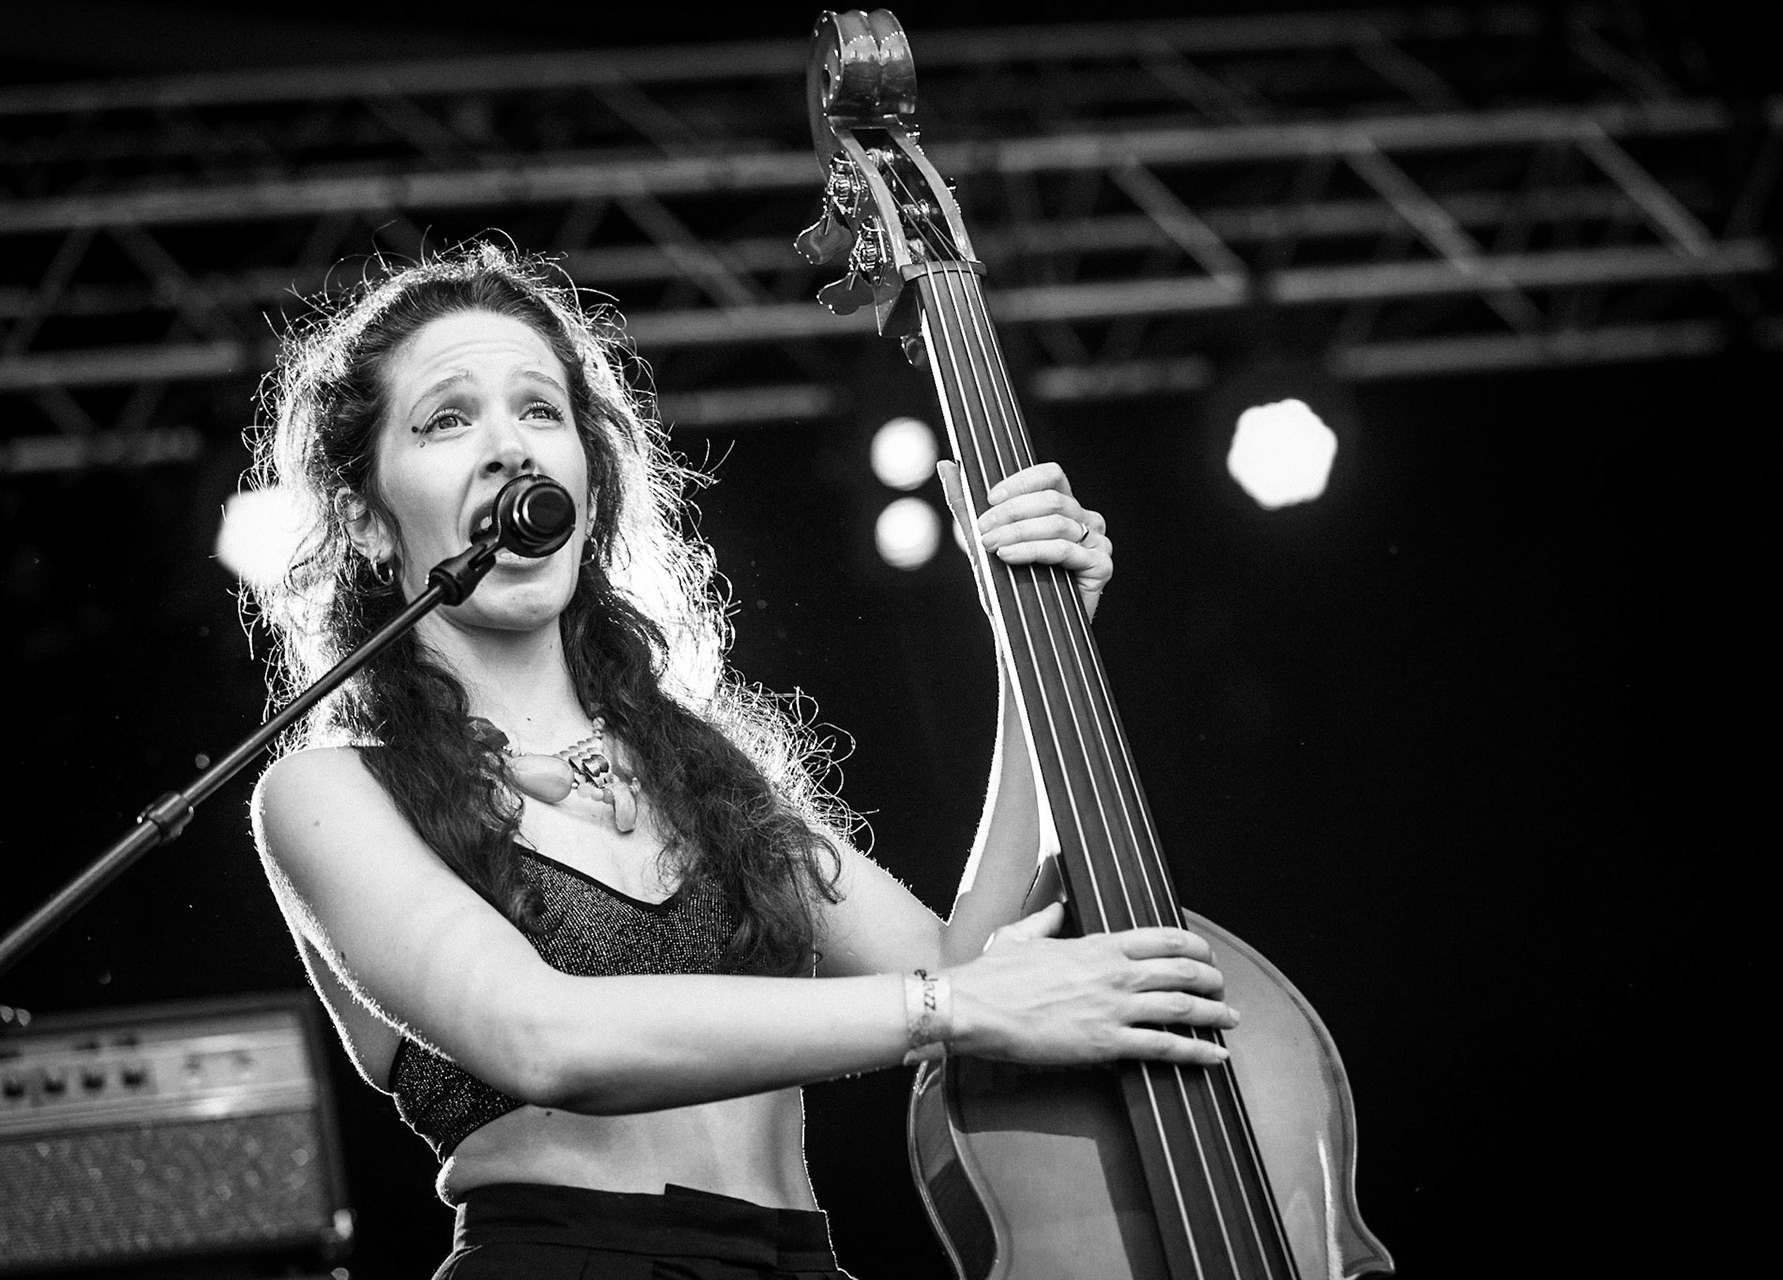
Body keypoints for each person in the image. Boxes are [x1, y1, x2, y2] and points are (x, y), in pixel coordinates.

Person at [246, 242, 1236, 1279]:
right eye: (448, 419)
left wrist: (1032, 642)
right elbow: (545, 1037)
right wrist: (958, 1006)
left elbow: (963, 976)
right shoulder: (328, 792)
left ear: (590, 473)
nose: (510, 448)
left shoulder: (700, 772)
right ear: (362, 515)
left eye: (541, 411)